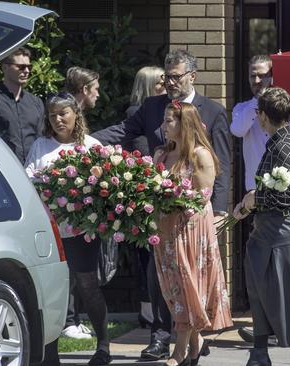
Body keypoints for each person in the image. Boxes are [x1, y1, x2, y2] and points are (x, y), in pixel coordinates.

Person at [92, 49, 231, 361]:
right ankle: (161, 336)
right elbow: (122, 132)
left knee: (191, 280)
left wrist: (220, 208)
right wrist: (83, 140)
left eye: (176, 77)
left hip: (195, 219)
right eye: (166, 77)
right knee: (162, 280)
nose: (170, 82)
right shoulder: (153, 106)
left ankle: (185, 345)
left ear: (192, 77)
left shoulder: (212, 111)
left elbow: (220, 161)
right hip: (164, 221)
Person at [233, 87, 290, 366]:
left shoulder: (285, 144)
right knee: (259, 286)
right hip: (268, 229)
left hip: (288, 231)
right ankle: (260, 351)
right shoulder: (277, 141)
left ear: (262, 116)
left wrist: (253, 199)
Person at [25, 92, 111, 366]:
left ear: (76, 114)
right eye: (53, 115)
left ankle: (104, 346)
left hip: (81, 231)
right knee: (50, 290)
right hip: (49, 232)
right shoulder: (40, 146)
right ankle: (50, 353)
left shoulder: (91, 146)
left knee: (87, 285)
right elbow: (29, 180)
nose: (58, 119)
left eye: (63, 113)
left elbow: (106, 188)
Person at [154, 101, 233, 366]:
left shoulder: (200, 155)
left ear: (184, 124)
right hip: (165, 231)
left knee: (189, 287)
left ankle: (179, 352)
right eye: (165, 121)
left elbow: (202, 195)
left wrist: (172, 198)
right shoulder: (162, 156)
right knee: (175, 289)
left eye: (169, 121)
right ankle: (195, 346)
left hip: (191, 229)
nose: (164, 126)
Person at [230, 54, 280, 346]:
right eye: (253, 76)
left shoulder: (285, 108)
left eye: (263, 75)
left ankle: (278, 326)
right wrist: (259, 102)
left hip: (283, 193)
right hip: (256, 195)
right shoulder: (243, 108)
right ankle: (264, 326)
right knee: (261, 264)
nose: (258, 81)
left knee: (278, 264)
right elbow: (238, 130)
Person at [58, 66, 102, 341]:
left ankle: (73, 319)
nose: (99, 95)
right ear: (85, 90)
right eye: (96, 89)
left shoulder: (84, 128)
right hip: (63, 209)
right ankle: (68, 319)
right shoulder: (63, 113)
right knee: (68, 268)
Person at [126, 65, 166, 328]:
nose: (165, 87)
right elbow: (142, 153)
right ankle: (148, 310)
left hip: (154, 190)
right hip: (143, 193)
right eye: (160, 83)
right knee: (146, 254)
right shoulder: (138, 113)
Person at [0, 47, 45, 164]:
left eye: (29, 67)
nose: (27, 71)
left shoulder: (36, 102)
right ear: (5, 67)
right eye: (21, 67)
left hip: (35, 170)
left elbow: (42, 139)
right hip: (7, 169)